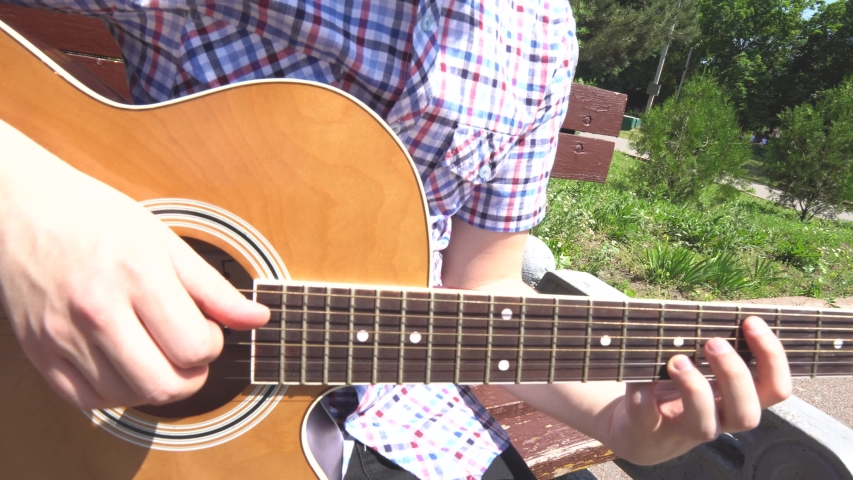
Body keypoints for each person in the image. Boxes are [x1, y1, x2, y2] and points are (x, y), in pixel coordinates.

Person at [0, 1, 792, 479]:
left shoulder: (540, 32)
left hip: (412, 417)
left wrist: (619, 426)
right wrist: (32, 211)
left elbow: (484, 291)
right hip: (92, 412)